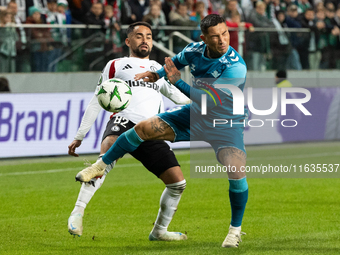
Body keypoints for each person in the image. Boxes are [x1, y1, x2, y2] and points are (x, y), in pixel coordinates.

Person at [76, 14, 249, 248]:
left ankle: (234, 231)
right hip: (195, 116)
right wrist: (155, 74)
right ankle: (101, 164)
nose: (222, 40)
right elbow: (175, 62)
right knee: (143, 128)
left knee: (236, 170)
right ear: (204, 38)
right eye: (215, 36)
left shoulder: (236, 66)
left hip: (225, 121)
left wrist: (176, 81)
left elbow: (210, 99)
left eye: (225, 33)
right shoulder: (195, 50)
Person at [67, 21, 190, 241]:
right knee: (106, 157)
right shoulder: (116, 65)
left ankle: (159, 231)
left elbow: (180, 97)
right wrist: (80, 135)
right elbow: (98, 99)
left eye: (149, 36)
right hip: (124, 120)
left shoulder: (157, 70)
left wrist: (207, 103)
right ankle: (78, 211)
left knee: (177, 183)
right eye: (139, 36)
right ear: (128, 40)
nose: (145, 40)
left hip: (152, 128)